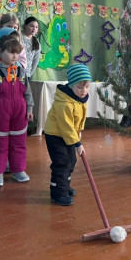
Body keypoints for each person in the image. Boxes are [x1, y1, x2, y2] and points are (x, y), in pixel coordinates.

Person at [0, 36, 33, 186]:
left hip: (19, 111)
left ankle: (18, 170)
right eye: (11, 52)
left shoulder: (20, 70)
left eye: (17, 53)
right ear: (0, 52)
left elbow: (27, 92)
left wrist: (29, 108)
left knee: (19, 142)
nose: (15, 56)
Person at [45, 64, 92, 206]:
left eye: (87, 86)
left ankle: (64, 185)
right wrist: (77, 143)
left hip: (69, 134)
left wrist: (79, 132)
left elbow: (79, 118)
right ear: (71, 85)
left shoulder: (78, 98)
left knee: (71, 161)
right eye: (79, 87)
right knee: (62, 163)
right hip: (56, 135)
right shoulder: (64, 103)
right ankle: (58, 193)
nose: (84, 91)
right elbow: (66, 126)